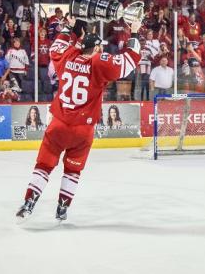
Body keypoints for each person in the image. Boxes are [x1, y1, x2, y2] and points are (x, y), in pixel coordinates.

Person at [16, 16, 141, 223]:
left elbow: (58, 45)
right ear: (96, 49)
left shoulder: (68, 57)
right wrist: (134, 33)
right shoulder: (98, 63)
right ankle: (62, 209)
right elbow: (130, 60)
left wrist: (69, 26)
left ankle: (29, 204)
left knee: (44, 166)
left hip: (58, 124)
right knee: (73, 170)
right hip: (83, 131)